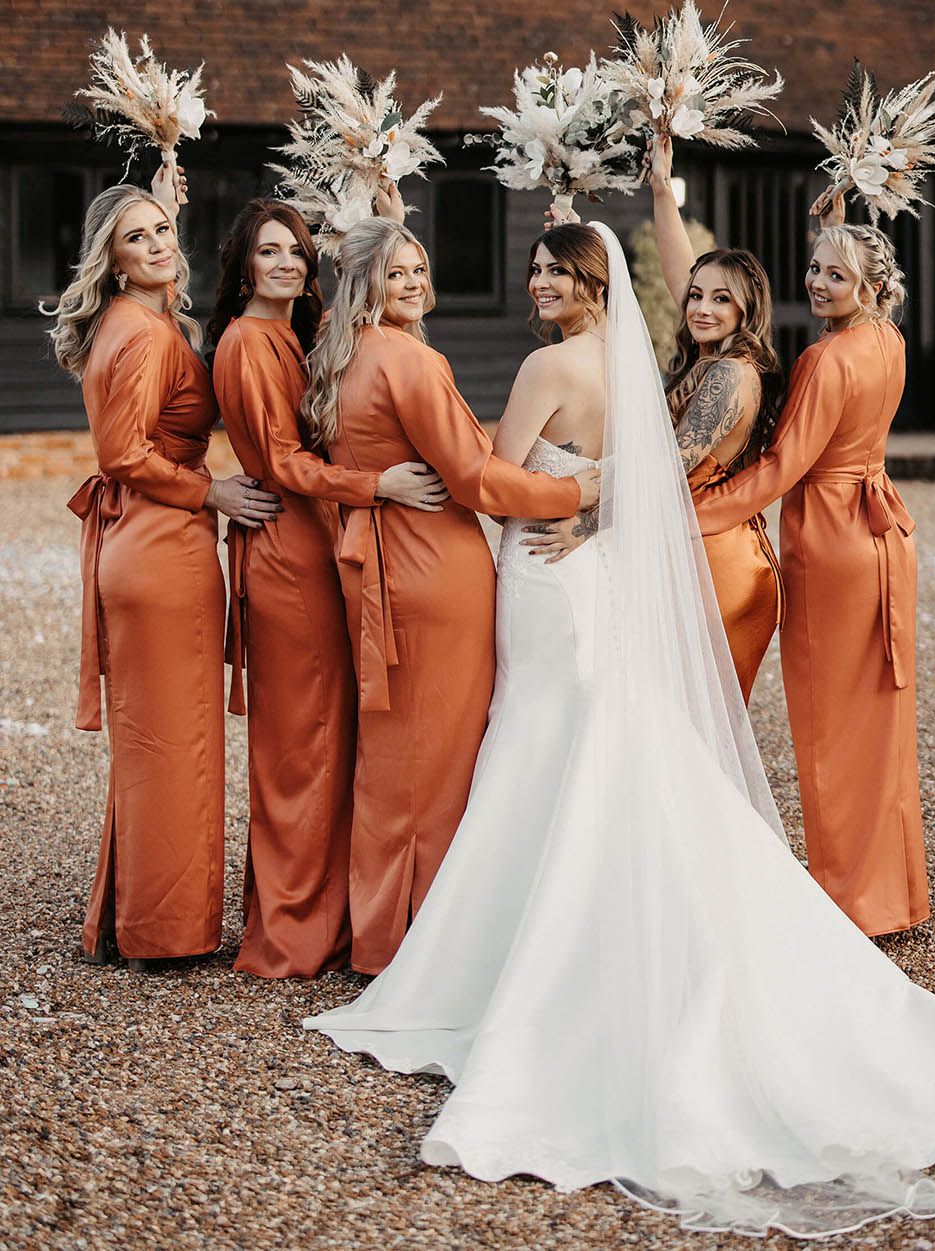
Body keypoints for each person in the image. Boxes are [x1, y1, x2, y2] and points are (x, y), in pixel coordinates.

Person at [304, 220, 935, 1238]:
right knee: (579, 748)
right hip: (591, 570)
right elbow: (655, 463)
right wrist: (592, 488)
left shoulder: (548, 363)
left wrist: (559, 493)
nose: (536, 281)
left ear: (588, 286)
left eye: (553, 270)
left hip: (549, 568)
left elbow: (491, 475)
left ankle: (527, 966)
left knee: (547, 746)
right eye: (531, 265)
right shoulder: (633, 363)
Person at [300, 216, 597, 974]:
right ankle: (419, 942)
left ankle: (380, 932)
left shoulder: (340, 351)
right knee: (440, 759)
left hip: (382, 566)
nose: (417, 282)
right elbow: (476, 480)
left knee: (395, 753)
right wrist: (570, 489)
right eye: (399, 271)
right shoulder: (411, 362)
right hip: (438, 570)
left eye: (421, 268)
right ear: (368, 281)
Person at [208, 197, 446, 978]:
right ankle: (290, 931)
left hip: (321, 544)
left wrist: (388, 226)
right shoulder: (246, 343)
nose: (286, 263)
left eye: (298, 251)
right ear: (243, 261)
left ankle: (330, 912)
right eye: (270, 250)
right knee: (301, 745)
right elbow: (281, 463)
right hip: (287, 554)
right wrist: (379, 484)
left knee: (333, 735)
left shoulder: (295, 333)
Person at [44, 179, 279, 968]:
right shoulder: (141, 335)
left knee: (156, 742)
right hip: (158, 546)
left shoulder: (132, 318)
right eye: (136, 238)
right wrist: (210, 488)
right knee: (173, 743)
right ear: (110, 263)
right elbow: (122, 454)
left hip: (148, 545)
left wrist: (162, 197)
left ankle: (134, 915)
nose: (157, 244)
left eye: (162, 231)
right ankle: (167, 931)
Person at [694, 215, 929, 937]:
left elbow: (780, 467)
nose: (817, 283)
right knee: (881, 725)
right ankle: (892, 895)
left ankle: (847, 902)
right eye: (815, 268)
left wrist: (692, 513)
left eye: (835, 274)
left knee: (829, 727)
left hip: (831, 542)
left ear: (871, 285)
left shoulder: (826, 360)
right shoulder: (887, 340)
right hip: (882, 535)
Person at [527, 138, 783, 702]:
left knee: (697, 724)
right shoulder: (709, 356)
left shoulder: (729, 376)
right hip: (684, 548)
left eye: (721, 300)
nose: (700, 307)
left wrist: (588, 525)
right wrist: (661, 188)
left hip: (718, 565)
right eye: (696, 296)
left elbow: (666, 472)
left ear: (746, 310)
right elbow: (678, 271)